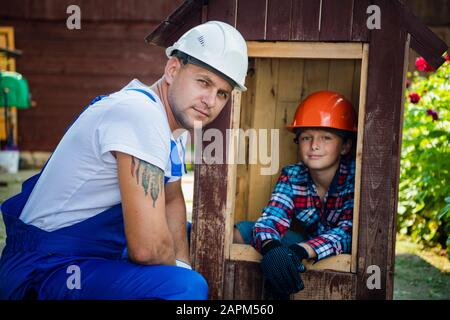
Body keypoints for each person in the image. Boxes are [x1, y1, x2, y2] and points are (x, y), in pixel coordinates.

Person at [0, 21, 248, 300]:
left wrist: (182, 264)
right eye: (204, 82)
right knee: (185, 288)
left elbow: (171, 199)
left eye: (222, 93)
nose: (210, 101)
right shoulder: (140, 113)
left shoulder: (175, 129)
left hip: (91, 252)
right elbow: (148, 248)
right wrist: (180, 279)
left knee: (202, 235)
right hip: (46, 267)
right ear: (173, 69)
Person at [234, 91, 357, 299]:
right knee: (244, 230)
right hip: (306, 242)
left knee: (291, 250)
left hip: (330, 251)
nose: (314, 145)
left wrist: (299, 252)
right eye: (306, 137)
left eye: (326, 138)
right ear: (298, 142)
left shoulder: (356, 177)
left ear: (345, 146)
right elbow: (272, 217)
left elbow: (348, 232)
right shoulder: (293, 175)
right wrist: (273, 249)